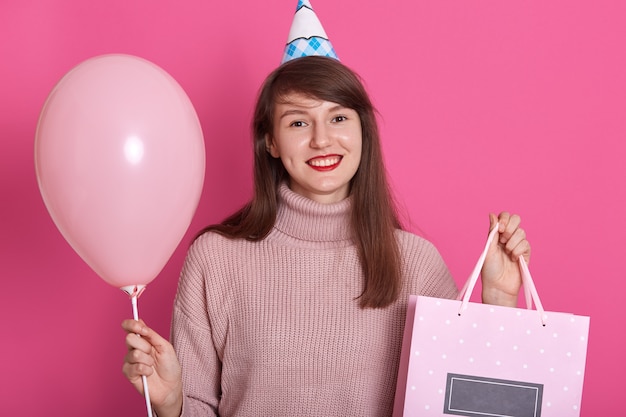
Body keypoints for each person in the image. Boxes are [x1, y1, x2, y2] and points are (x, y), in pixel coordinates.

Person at [121, 55, 530, 417]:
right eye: (298, 121)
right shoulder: (216, 257)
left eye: (338, 118)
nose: (321, 139)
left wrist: (498, 300)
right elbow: (198, 407)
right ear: (271, 142)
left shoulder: (415, 263)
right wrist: (172, 405)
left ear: (363, 131)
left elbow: (466, 403)